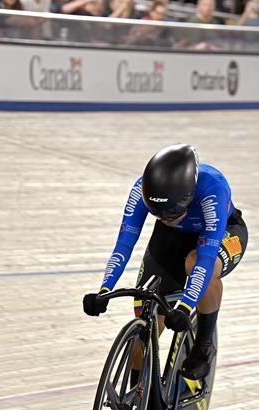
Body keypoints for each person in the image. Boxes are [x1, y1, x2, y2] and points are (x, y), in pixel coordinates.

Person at [84, 144, 248, 384]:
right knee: (147, 309)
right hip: (171, 237)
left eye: (172, 212)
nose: (165, 218)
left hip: (222, 233)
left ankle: (203, 346)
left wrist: (184, 307)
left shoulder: (213, 188)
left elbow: (205, 258)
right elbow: (124, 245)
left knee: (195, 264)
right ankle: (138, 401)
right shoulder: (142, 190)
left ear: (189, 195)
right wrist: (104, 289)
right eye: (158, 213)